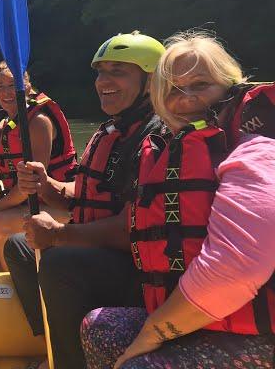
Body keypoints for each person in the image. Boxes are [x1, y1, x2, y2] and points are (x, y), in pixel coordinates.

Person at [80, 32, 275, 368]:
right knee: (99, 328)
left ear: (230, 87)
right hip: (201, 319)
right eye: (172, 89)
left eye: (200, 84)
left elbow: (235, 269)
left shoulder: (256, 148)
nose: (185, 98)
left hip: (259, 334)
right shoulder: (169, 147)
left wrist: (154, 332)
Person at [4, 32, 166, 369]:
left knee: (58, 262)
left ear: (151, 80)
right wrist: (47, 185)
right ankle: (51, 345)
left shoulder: (157, 137)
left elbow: (129, 229)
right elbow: (88, 195)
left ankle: (70, 363)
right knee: (19, 247)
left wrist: (60, 236)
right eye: (100, 72)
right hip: (102, 252)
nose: (103, 81)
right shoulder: (111, 131)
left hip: (139, 270)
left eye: (118, 71)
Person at [0, 60, 77, 272]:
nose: (6, 92)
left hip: (59, 204)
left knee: (0, 221)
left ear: (27, 88)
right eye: (0, 86)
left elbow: (34, 183)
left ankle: (13, 283)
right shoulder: (1, 124)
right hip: (23, 201)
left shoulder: (39, 121)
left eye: (12, 85)